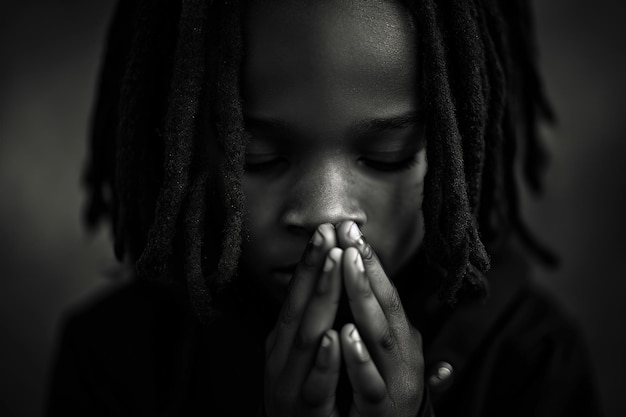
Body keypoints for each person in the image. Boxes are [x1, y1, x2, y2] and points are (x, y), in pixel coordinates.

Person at [47, 0, 601, 416]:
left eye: (387, 156)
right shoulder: (114, 360)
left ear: (465, 147)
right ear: (180, 140)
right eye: (259, 156)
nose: (327, 212)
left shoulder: (533, 362)